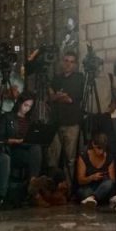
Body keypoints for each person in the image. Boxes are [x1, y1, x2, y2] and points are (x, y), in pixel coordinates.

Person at [46, 50, 84, 182]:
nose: (68, 64)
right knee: (52, 158)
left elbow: (70, 100)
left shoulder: (80, 78)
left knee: (70, 159)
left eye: (71, 62)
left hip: (72, 123)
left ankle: (68, 189)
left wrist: (58, 96)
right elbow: (50, 97)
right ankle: (51, 188)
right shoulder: (56, 78)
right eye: (66, 61)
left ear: (75, 64)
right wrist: (60, 96)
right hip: (56, 123)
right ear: (62, 62)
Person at [75, 132, 116, 209]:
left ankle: (92, 198)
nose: (101, 152)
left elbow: (112, 180)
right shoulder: (84, 155)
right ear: (93, 145)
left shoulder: (109, 157)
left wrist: (104, 177)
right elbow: (80, 180)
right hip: (89, 186)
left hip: (103, 186)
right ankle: (98, 198)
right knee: (84, 192)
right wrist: (92, 177)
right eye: (99, 148)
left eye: (103, 149)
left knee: (109, 184)